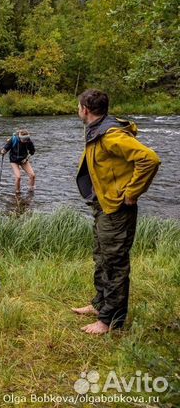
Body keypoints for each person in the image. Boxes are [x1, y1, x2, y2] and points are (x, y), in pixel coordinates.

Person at [72, 89, 161, 335]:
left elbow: (149, 159)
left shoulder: (111, 135)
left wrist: (132, 193)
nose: (78, 110)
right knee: (102, 257)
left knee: (115, 264)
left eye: (79, 107)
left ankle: (110, 321)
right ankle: (99, 304)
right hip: (103, 205)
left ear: (85, 110)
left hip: (117, 209)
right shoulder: (96, 128)